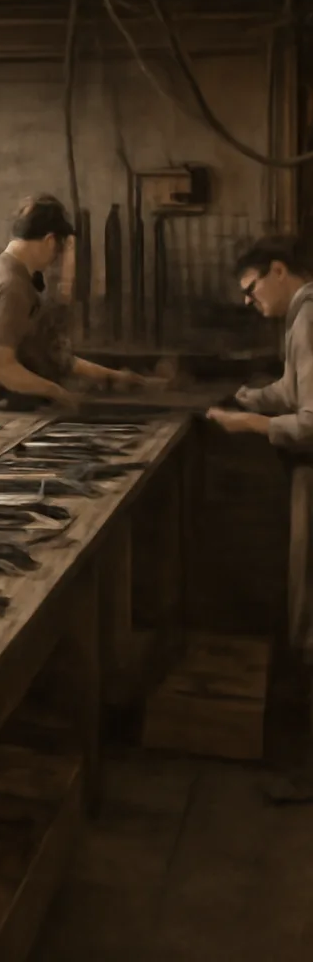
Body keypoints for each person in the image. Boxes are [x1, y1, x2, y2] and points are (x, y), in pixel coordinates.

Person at [206, 237, 313, 748]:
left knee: (309, 609)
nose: (251, 302)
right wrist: (249, 396)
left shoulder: (309, 316)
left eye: (251, 290)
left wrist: (247, 421)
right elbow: (295, 391)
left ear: (278, 269)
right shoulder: (300, 317)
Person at [0, 194, 156, 410]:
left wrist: (113, 376)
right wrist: (55, 391)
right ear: (50, 241)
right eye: (59, 250)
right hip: (3, 413)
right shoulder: (10, 285)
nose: (56, 259)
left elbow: (52, 356)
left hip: (10, 407)